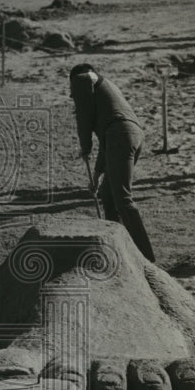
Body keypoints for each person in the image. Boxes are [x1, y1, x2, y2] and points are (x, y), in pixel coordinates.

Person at [70, 62, 156, 262]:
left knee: (123, 199)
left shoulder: (83, 78)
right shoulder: (106, 87)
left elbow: (83, 117)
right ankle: (118, 250)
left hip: (121, 136)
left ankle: (147, 258)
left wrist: (85, 146)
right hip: (129, 135)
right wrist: (97, 176)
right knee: (108, 194)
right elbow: (107, 142)